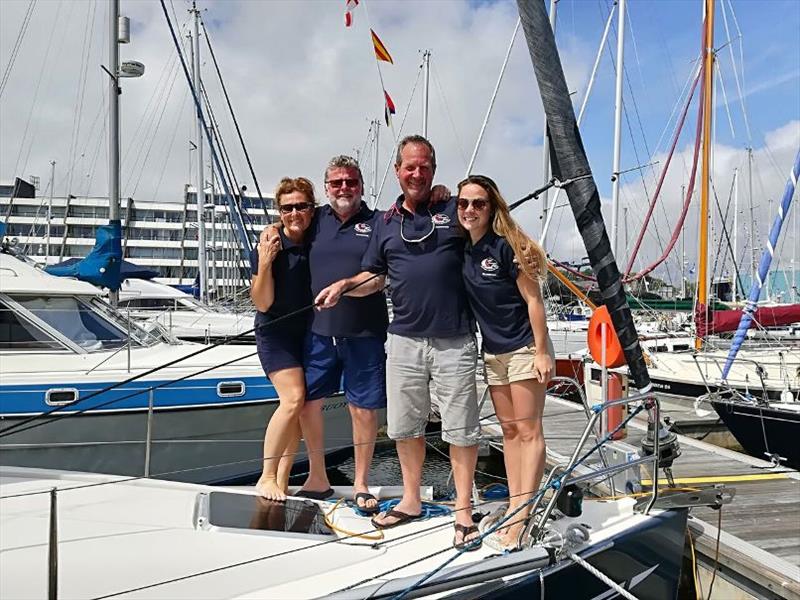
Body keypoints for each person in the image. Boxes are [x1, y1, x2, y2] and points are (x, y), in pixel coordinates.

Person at [316, 135, 482, 550]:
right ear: (396, 171)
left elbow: (489, 222)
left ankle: (463, 509)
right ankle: (410, 499)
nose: (417, 173)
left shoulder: (453, 208)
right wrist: (345, 286)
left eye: (425, 166)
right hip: (404, 339)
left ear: (434, 170)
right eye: (409, 166)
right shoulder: (386, 222)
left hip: (454, 338)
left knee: (460, 428)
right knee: (406, 427)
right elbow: (375, 275)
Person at [456, 174, 554, 551]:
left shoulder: (507, 247)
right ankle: (516, 504)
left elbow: (534, 301)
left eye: (478, 203)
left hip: (524, 349)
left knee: (530, 433)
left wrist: (543, 351)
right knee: (509, 433)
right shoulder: (465, 249)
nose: (469, 210)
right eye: (463, 203)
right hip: (493, 353)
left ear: (492, 207)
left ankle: (523, 516)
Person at [295, 155, 389, 511]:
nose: (344, 188)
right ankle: (317, 475)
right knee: (307, 404)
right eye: (337, 183)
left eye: (351, 182)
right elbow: (287, 223)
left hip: (364, 332)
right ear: (326, 188)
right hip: (318, 332)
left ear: (361, 186)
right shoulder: (314, 220)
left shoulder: (379, 222)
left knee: (363, 410)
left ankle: (362, 483)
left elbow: (379, 278)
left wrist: (345, 286)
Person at [250, 177, 316, 501]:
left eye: (301, 206)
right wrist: (264, 262)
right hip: (275, 332)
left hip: (308, 332)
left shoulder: (317, 237)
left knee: (299, 406)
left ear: (311, 207)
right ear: (280, 211)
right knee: (292, 400)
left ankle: (282, 480)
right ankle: (266, 476)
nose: (294, 213)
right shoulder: (270, 244)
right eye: (287, 208)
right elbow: (262, 302)